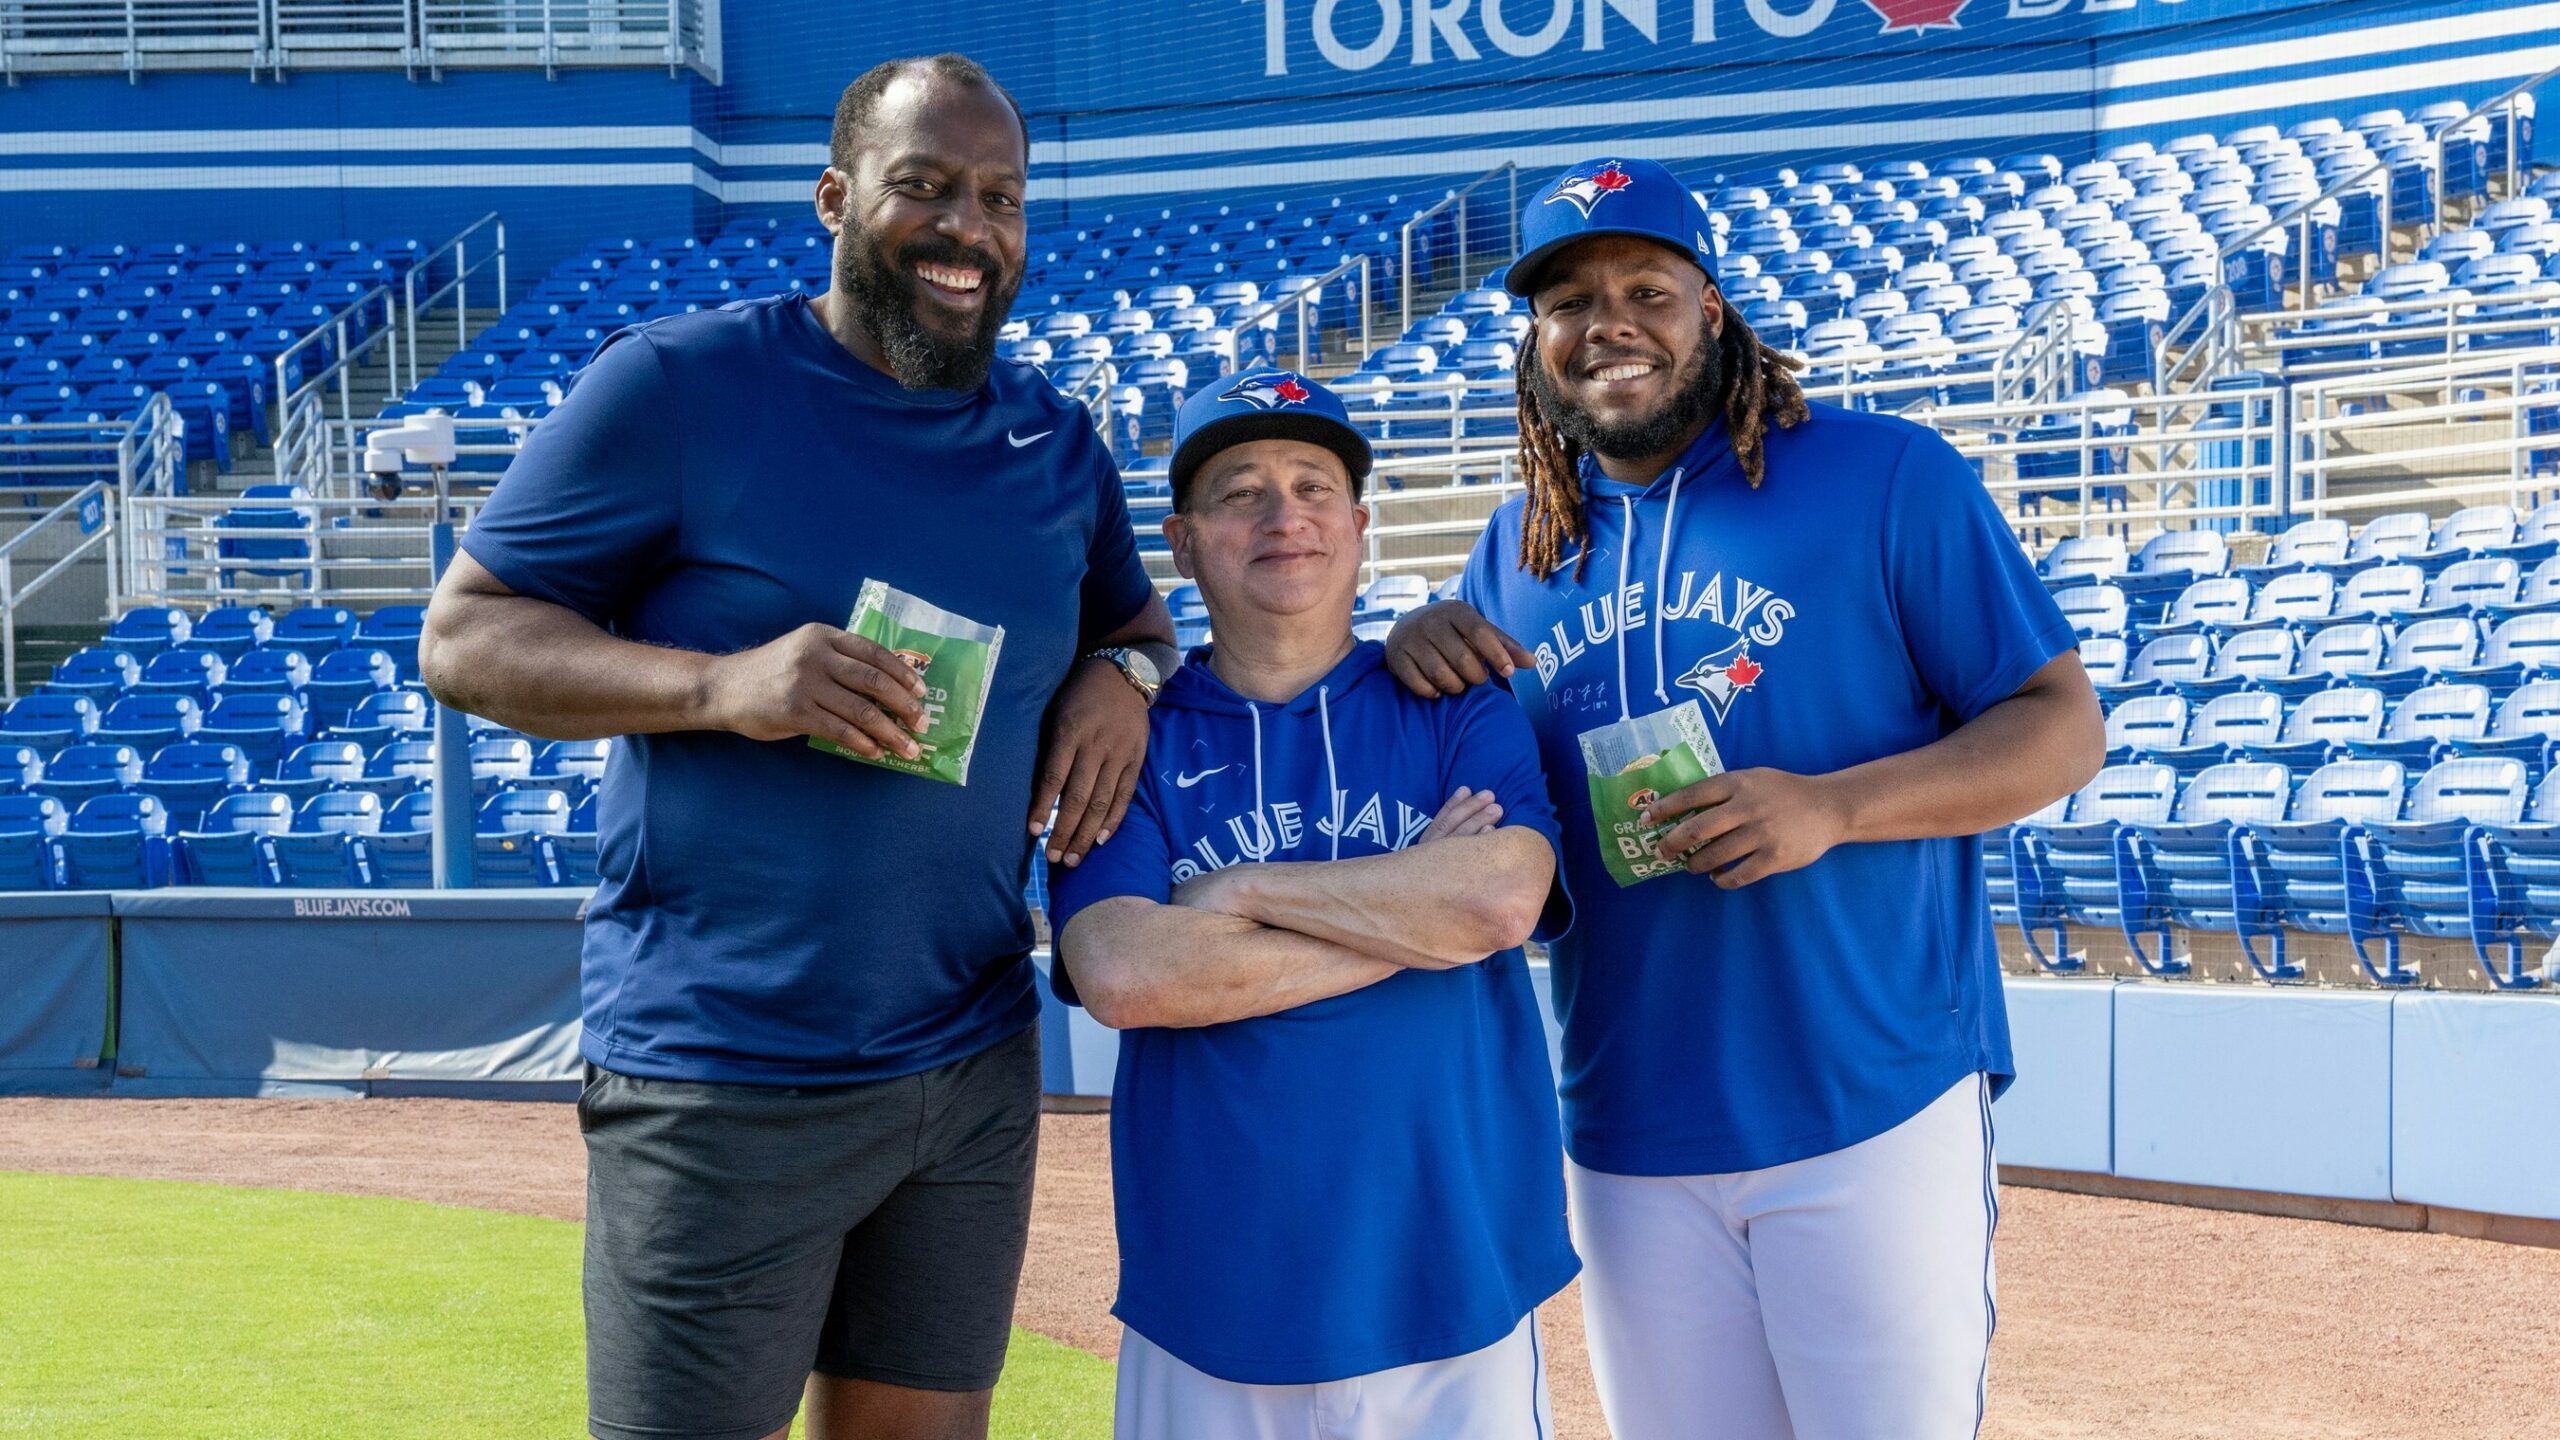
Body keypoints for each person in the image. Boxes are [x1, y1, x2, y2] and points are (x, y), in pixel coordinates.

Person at [418, 54, 1178, 1440]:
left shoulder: (1056, 443)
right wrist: (723, 687)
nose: (970, 229)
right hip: (720, 1073)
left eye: (1001, 198)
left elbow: (1140, 630)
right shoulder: (678, 385)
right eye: (926, 188)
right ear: (835, 197)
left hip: (965, 1063)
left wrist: (1120, 677)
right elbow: (463, 640)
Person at [1384, 157, 2106, 1440]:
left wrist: (1829, 807)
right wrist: (1415, 661)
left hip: (1866, 1094)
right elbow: (1511, 842)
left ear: (1711, 311)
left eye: (1646, 289)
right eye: (1566, 301)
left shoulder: (1886, 477)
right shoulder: (1515, 551)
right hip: (1628, 1121)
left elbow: (2061, 728)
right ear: (1535, 341)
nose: (1607, 322)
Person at [1049, 370, 1580, 1440]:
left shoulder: (1453, 699)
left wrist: (1240, 893)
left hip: (1452, 1282)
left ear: (1359, 526)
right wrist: (1409, 916)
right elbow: (1123, 971)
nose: (1282, 515)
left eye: (1312, 486)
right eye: (1240, 491)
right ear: (1184, 542)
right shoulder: (1128, 739)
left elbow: (1498, 901)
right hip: (1213, 1301)